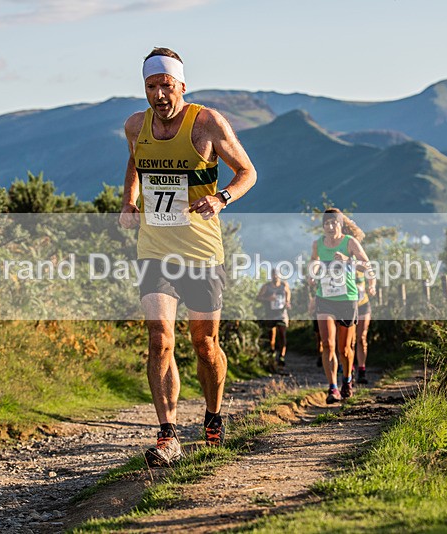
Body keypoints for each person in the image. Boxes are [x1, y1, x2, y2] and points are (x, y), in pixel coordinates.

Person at [119, 47, 256, 466]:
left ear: (181, 85)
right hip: (155, 250)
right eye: (151, 86)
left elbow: (248, 172)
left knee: (205, 344)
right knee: (160, 339)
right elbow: (136, 163)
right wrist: (128, 201)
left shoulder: (207, 123)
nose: (159, 94)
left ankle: (213, 417)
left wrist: (222, 198)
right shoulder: (135, 126)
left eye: (165, 85)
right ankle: (168, 434)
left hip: (201, 251)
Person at [308, 209, 375, 403]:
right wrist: (312, 274)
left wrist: (349, 261)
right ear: (323, 226)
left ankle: (347, 379)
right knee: (328, 344)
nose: (330, 227)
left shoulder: (350, 243)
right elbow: (314, 262)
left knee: (344, 349)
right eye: (326, 224)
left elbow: (367, 266)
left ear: (340, 224)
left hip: (347, 299)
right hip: (325, 298)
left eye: (333, 223)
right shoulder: (317, 244)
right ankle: (332, 388)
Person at [257, 269, 291, 369]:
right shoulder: (266, 286)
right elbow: (258, 297)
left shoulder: (284, 285)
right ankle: (272, 353)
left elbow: (288, 294)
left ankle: (282, 356)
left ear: (280, 275)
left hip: (282, 314)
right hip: (270, 314)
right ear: (271, 276)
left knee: (282, 334)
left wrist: (288, 302)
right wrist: (268, 299)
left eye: (277, 275)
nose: (275, 276)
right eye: (273, 275)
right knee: (271, 335)